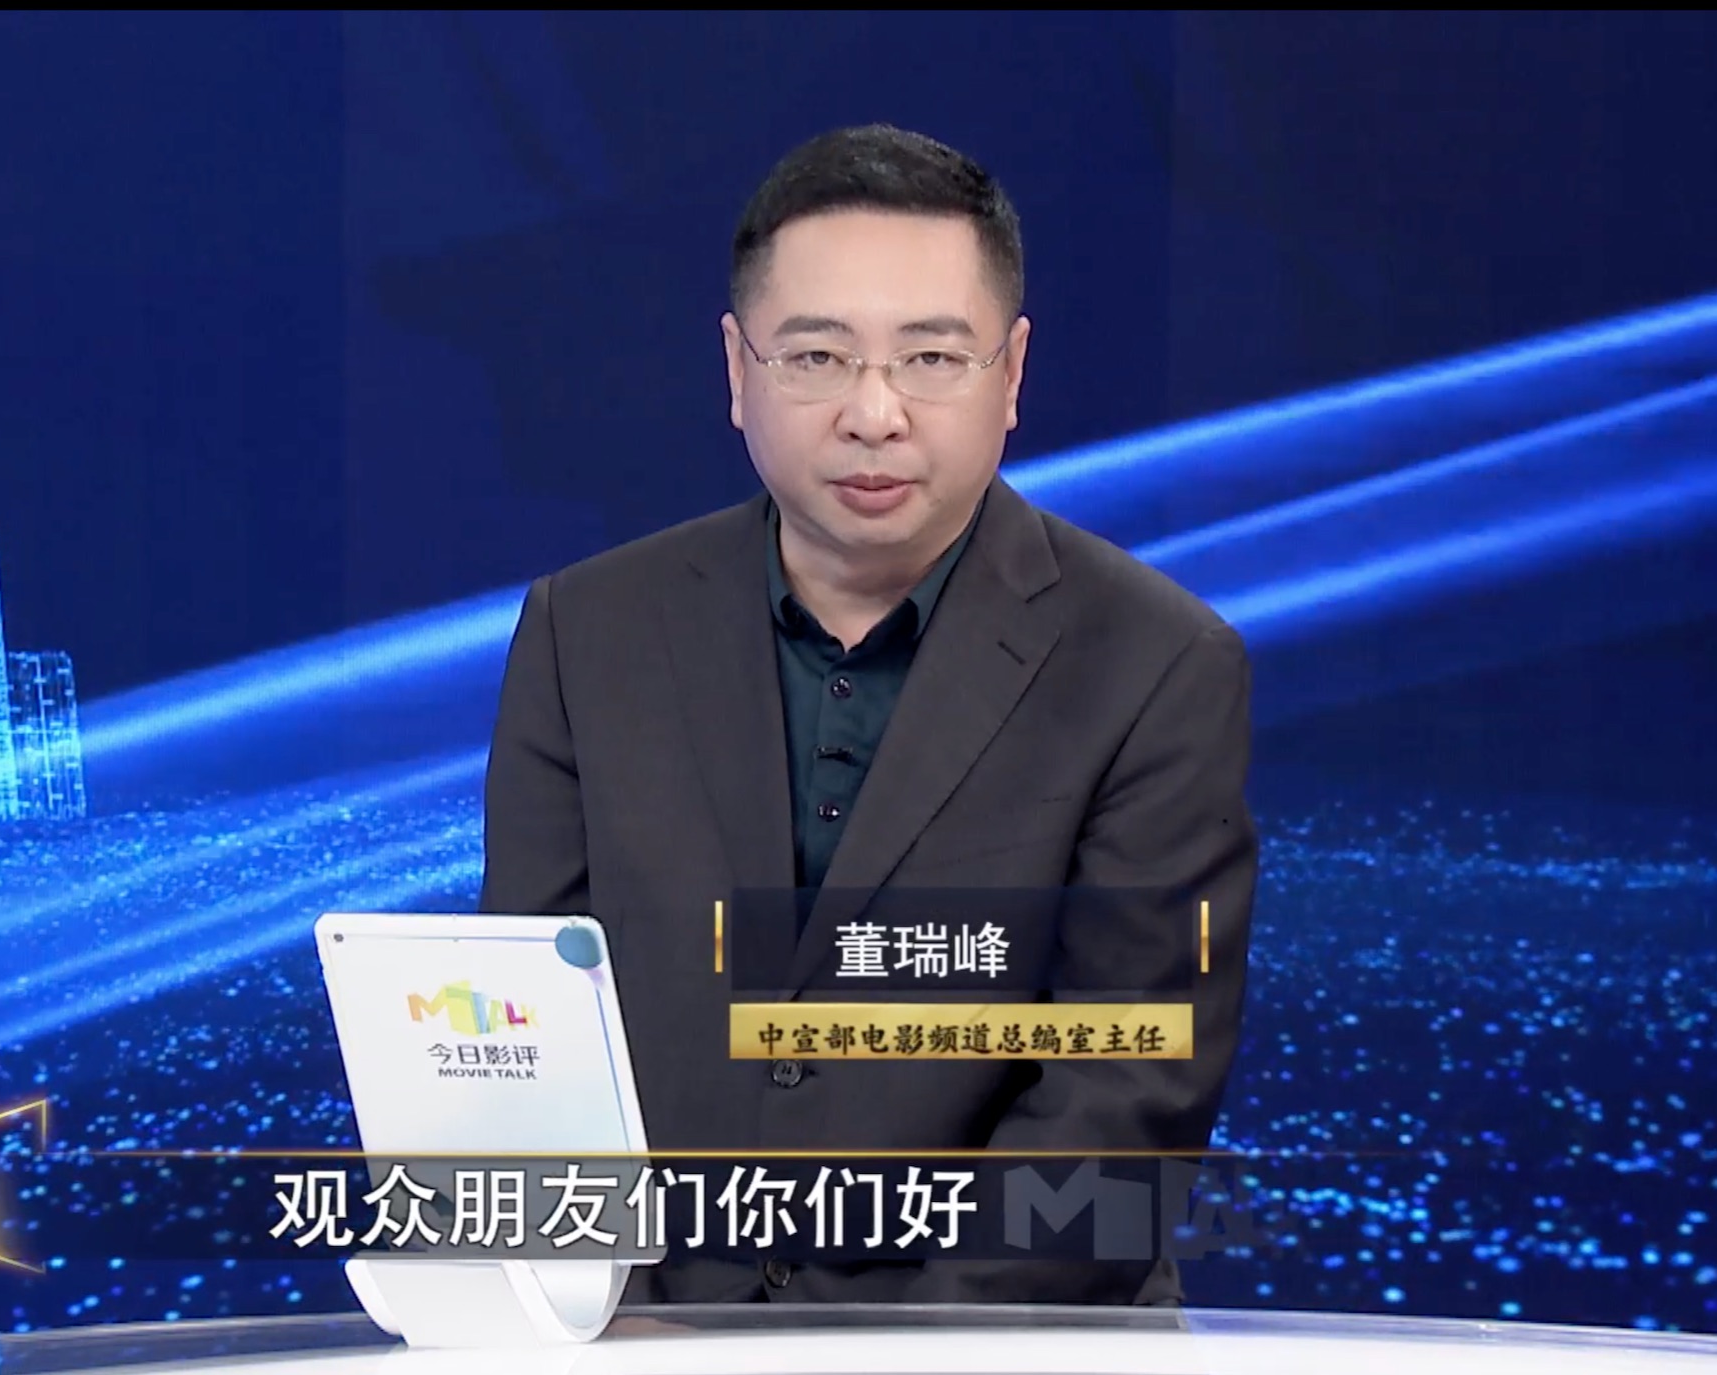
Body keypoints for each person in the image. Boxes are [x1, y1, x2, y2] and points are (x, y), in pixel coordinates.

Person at [479, 124, 1257, 1306]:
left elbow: (1124, 1103)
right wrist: (610, 1326)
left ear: (1011, 372)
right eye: (817, 356)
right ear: (737, 369)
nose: (874, 412)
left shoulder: (1156, 663)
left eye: (932, 357)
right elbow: (531, 1039)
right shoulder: (585, 632)